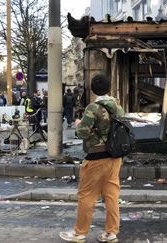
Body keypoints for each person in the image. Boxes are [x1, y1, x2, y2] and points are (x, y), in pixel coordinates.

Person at [60, 74, 124, 243]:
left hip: (97, 156)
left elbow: (82, 133)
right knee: (111, 195)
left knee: (86, 195)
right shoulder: (117, 106)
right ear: (109, 87)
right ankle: (111, 233)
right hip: (115, 156)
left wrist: (79, 124)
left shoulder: (93, 108)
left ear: (93, 89)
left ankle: (79, 233)